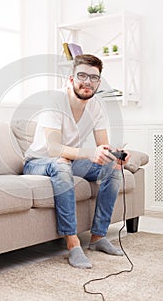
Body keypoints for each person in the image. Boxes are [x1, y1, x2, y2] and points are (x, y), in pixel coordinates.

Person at [23, 54, 129, 269]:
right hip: (38, 162)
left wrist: (114, 156)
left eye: (94, 78)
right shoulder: (54, 102)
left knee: (110, 168)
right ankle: (73, 243)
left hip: (68, 161)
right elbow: (53, 149)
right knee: (61, 162)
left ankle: (98, 237)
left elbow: (103, 146)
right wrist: (90, 153)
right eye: (82, 75)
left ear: (99, 83)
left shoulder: (97, 106)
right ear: (71, 79)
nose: (87, 82)